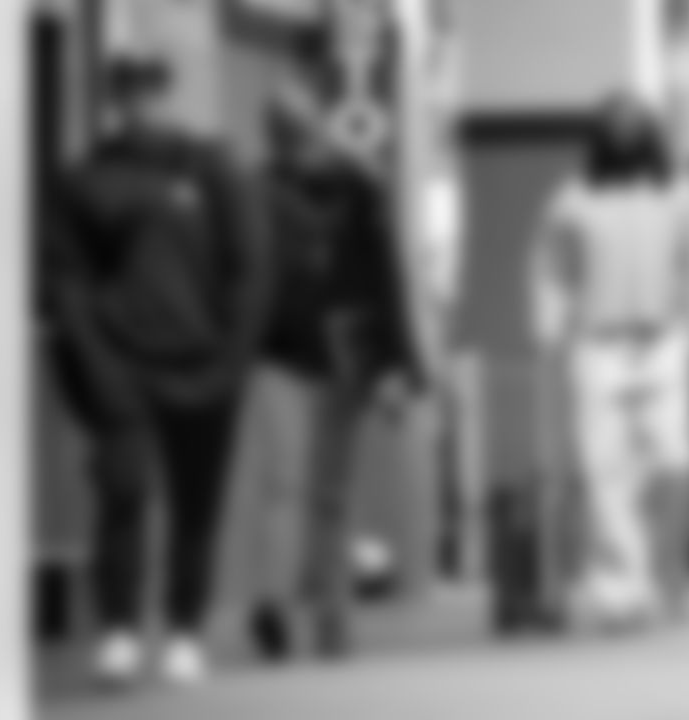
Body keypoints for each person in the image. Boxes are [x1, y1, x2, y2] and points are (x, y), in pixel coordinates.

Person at [39, 53, 272, 686]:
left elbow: (249, 270)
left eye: (154, 93)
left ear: (171, 95)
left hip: (205, 366)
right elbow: (66, 282)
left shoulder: (214, 169)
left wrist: (231, 362)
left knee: (197, 505)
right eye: (131, 95)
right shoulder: (85, 179)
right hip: (122, 365)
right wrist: (96, 363)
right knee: (123, 492)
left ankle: (184, 631)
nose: (144, 105)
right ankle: (117, 630)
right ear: (115, 101)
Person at [529, 93, 689, 629]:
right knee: (604, 471)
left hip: (663, 341)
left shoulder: (683, 193)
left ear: (651, 135)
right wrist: (548, 330)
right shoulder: (573, 198)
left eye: (635, 126)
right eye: (614, 127)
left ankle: (665, 574)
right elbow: (550, 269)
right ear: (599, 138)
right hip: (597, 344)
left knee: (677, 462)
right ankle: (621, 586)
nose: (625, 136)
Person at [242, 23, 421, 662]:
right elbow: (244, 274)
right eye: (281, 127)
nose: (293, 136)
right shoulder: (257, 190)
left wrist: (401, 365)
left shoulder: (359, 187)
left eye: (301, 123)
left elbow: (386, 279)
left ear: (320, 121)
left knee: (331, 492)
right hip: (279, 353)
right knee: (284, 485)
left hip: (346, 351)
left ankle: (332, 618)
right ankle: (275, 605)